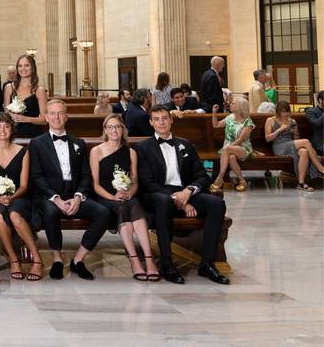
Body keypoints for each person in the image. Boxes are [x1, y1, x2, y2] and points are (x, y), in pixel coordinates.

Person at [135, 106, 229, 284]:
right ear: (151, 122)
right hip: (157, 195)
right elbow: (147, 183)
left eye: (165, 118)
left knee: (216, 204)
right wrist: (180, 200)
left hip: (186, 192)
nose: (161, 122)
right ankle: (167, 263)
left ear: (171, 120)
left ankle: (207, 263)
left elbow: (202, 176)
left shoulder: (185, 145)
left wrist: (188, 191)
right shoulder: (143, 148)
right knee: (165, 202)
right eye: (157, 119)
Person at [29, 99, 110, 280]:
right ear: (47, 117)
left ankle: (78, 260)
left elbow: (85, 175)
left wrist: (78, 197)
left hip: (74, 195)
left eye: (60, 113)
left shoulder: (78, 143)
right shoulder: (37, 143)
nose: (56, 117)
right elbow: (36, 176)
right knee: (51, 212)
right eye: (52, 113)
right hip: (49, 196)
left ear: (66, 117)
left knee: (103, 213)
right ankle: (57, 259)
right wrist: (56, 199)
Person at [88, 114, 159, 281]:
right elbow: (95, 185)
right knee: (123, 207)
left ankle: (148, 260)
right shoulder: (96, 151)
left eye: (118, 127)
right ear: (105, 130)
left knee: (132, 204)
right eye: (110, 127)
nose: (114, 130)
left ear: (123, 129)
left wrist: (129, 193)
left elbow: (134, 181)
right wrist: (113, 197)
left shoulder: (131, 152)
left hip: (126, 196)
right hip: (105, 197)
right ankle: (134, 260)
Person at [0, 112, 43, 281]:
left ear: (12, 129)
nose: (2, 130)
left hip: (18, 197)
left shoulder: (23, 152)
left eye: (6, 126)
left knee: (14, 214)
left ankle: (37, 259)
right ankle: (14, 259)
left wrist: (11, 197)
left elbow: (23, 185)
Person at [265, 101, 323, 192]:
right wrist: (280, 129)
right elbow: (268, 138)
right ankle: (320, 168)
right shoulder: (270, 120)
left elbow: (296, 139)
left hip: (290, 144)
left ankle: (301, 183)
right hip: (279, 146)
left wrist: (295, 133)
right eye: (283, 111)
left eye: (287, 111)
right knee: (306, 141)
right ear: (278, 111)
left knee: (304, 151)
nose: (286, 114)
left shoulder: (292, 121)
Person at [209, 98, 253, 193]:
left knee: (228, 150)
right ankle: (242, 180)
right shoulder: (230, 117)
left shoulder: (247, 121)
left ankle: (220, 178)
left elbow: (241, 139)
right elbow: (216, 125)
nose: (230, 104)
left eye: (233, 103)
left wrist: (227, 148)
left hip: (243, 147)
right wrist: (214, 113)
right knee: (231, 158)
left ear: (240, 107)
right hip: (229, 148)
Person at [3, 54, 47, 138]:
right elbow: (6, 114)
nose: (23, 69)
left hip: (34, 134)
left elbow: (44, 120)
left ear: (33, 68)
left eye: (26, 65)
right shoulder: (9, 88)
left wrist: (26, 119)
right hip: (13, 133)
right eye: (20, 66)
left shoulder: (39, 90)